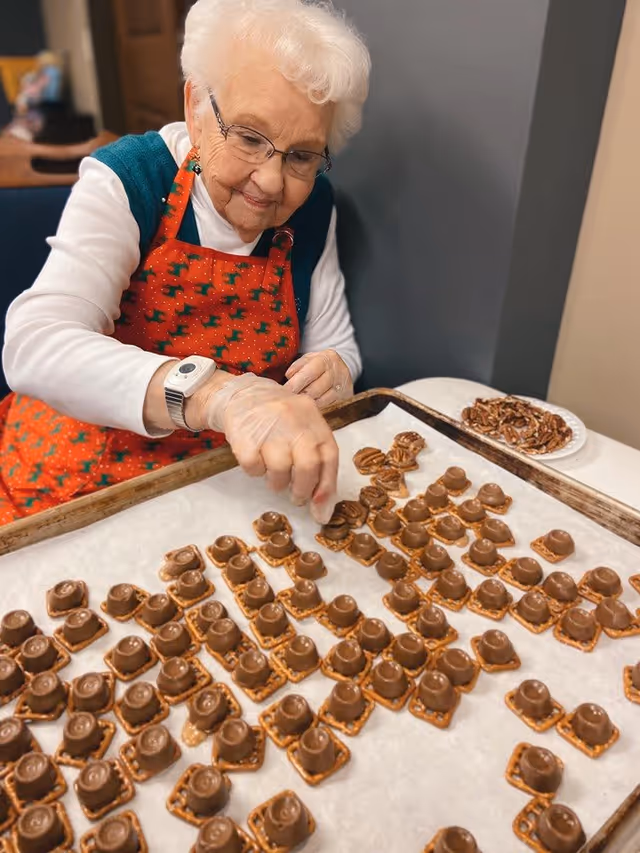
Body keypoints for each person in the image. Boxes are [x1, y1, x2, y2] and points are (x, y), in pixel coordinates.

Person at [0, 0, 371, 525]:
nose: (270, 180)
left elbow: (336, 343)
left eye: (302, 156)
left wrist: (335, 372)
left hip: (220, 478)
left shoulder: (313, 205)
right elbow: (34, 344)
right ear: (196, 108)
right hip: (80, 475)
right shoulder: (131, 179)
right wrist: (218, 394)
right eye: (248, 137)